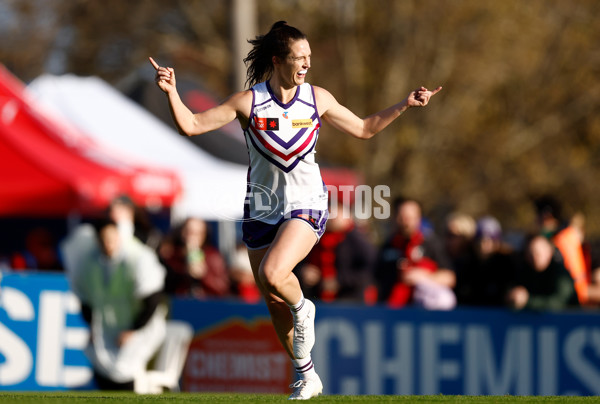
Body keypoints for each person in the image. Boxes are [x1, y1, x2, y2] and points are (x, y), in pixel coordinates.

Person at [150, 21, 441, 400]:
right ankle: (307, 374)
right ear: (277, 60)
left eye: (308, 57)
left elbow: (366, 128)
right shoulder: (248, 102)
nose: (305, 64)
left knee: (275, 273)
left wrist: (405, 103)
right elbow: (191, 125)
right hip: (260, 210)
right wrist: (172, 92)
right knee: (273, 303)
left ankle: (305, 307)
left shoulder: (317, 98)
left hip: (306, 205)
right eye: (298, 58)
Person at [68, 218, 168, 391]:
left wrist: (133, 330)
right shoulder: (90, 263)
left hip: (140, 328)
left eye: (112, 239)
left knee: (125, 371)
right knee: (100, 362)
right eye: (104, 240)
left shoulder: (138, 258)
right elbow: (85, 300)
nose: (109, 245)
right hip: (109, 328)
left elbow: (152, 301)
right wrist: (92, 326)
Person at [375, 197, 456, 310]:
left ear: (418, 218)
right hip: (392, 309)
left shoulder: (430, 243)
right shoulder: (388, 246)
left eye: (409, 217)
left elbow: (449, 277)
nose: (405, 222)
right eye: (401, 217)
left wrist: (423, 276)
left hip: (422, 312)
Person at [295, 199, 376, 303]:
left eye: (337, 212)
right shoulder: (315, 238)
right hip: (317, 299)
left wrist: (339, 281)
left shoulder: (358, 240)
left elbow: (369, 271)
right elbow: (298, 261)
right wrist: (304, 271)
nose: (332, 217)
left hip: (350, 301)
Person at [158, 217, 230, 298]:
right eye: (189, 232)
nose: (192, 237)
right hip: (180, 303)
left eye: (197, 233)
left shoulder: (213, 256)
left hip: (206, 305)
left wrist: (204, 275)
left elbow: (222, 288)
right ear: (182, 232)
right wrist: (184, 269)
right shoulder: (173, 255)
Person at [506, 234, 579, 311]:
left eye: (538, 254)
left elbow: (559, 303)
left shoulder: (561, 275)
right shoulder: (524, 271)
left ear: (549, 252)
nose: (534, 258)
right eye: (530, 254)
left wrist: (528, 301)